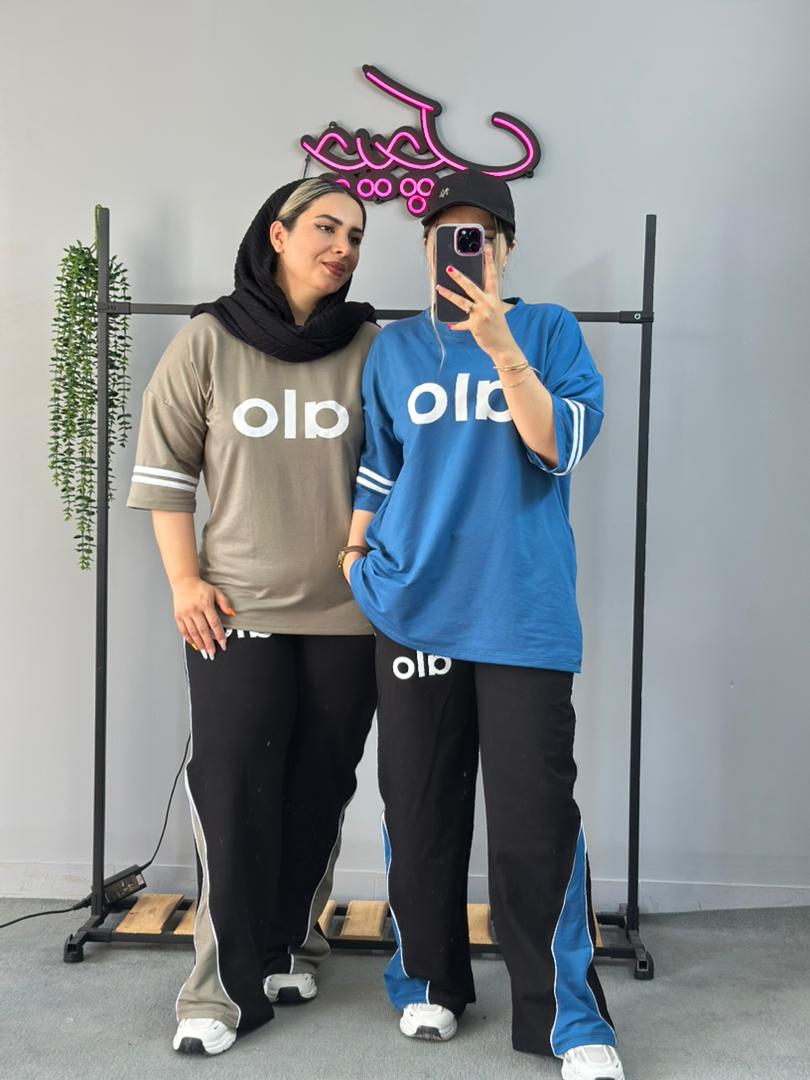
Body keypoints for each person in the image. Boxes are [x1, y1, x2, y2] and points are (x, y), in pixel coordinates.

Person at [342, 170, 625, 1080]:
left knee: (535, 821)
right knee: (420, 807)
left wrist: (501, 346)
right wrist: (355, 556)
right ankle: (428, 978)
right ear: (426, 246)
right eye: (448, 235)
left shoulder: (548, 330)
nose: (465, 248)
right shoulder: (395, 348)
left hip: (521, 613)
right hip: (415, 608)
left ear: (505, 249)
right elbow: (380, 463)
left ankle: (568, 1019)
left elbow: (559, 445)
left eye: (482, 236)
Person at [126, 177, 379, 1056]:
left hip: (350, 613)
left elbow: (401, 469)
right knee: (234, 792)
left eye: (356, 235)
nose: (343, 247)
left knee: (320, 787)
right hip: (236, 609)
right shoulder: (209, 340)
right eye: (326, 227)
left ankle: (288, 944)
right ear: (277, 233)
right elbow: (166, 472)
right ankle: (217, 991)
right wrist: (184, 582)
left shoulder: (371, 346)